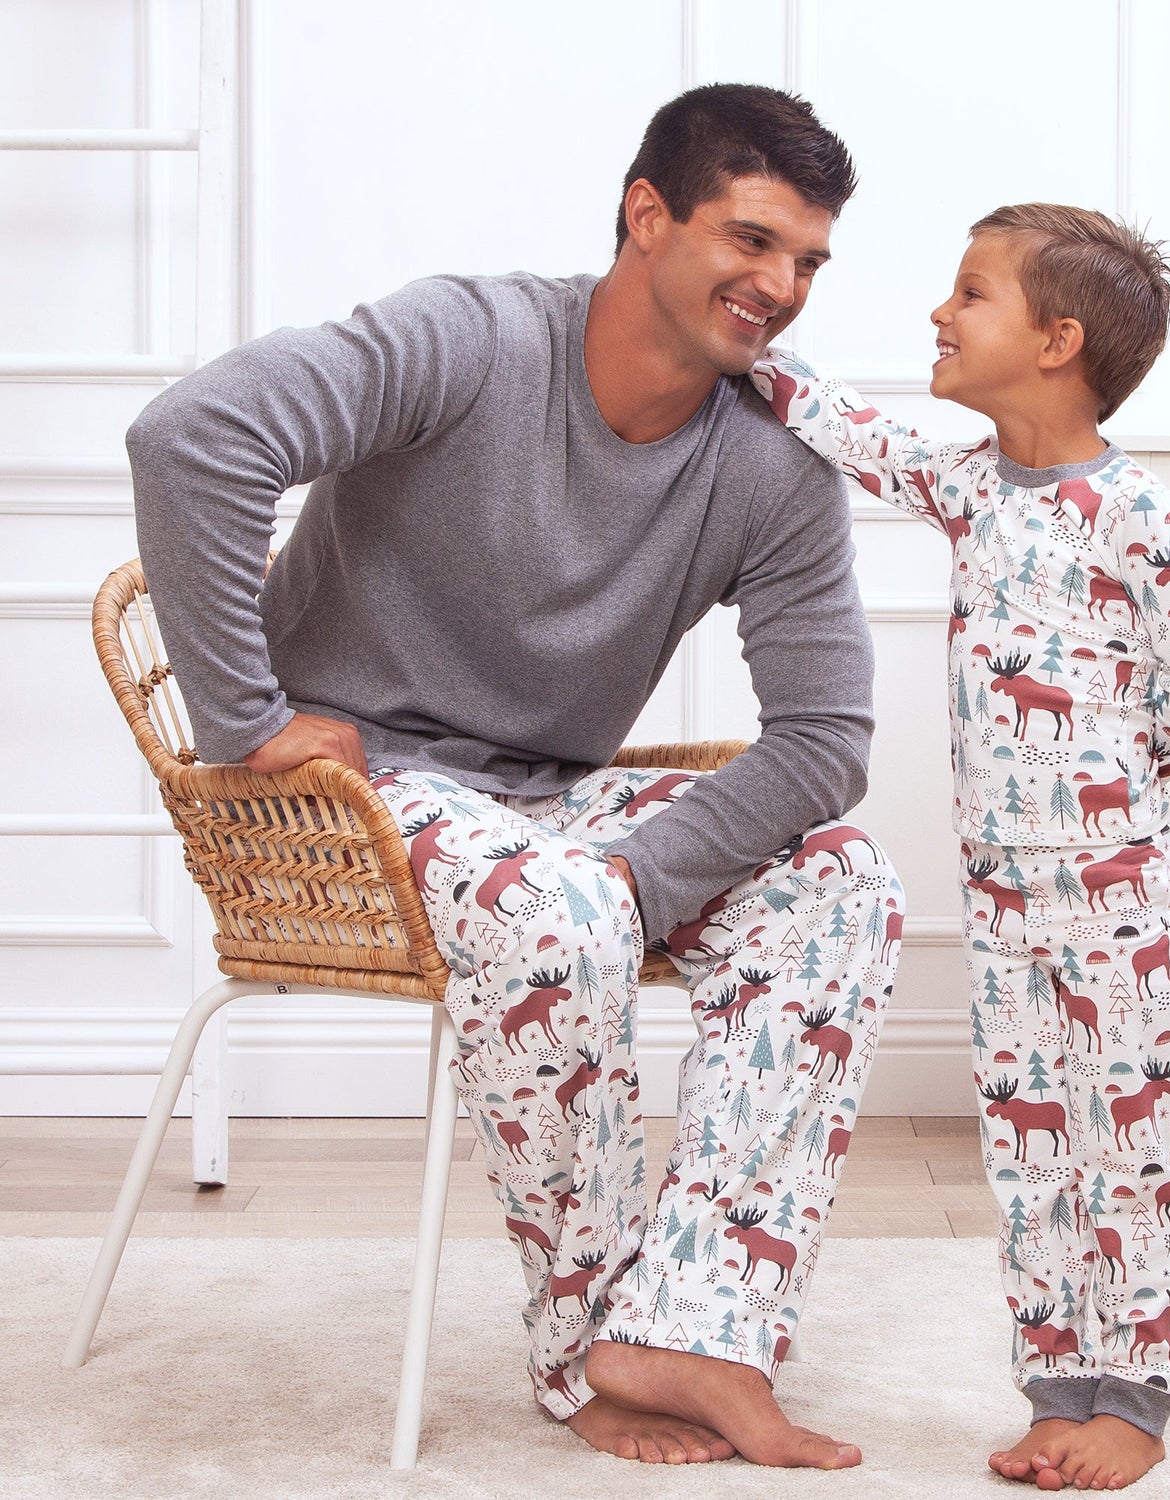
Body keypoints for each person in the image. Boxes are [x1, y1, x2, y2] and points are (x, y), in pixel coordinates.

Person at [125, 84, 904, 1470]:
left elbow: (825, 737)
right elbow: (195, 438)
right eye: (752, 239)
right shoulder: (471, 339)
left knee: (844, 884)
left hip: (547, 806)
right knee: (558, 910)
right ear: (647, 214)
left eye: (808, 261)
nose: (782, 288)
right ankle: (583, 1345)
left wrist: (632, 877)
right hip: (351, 795)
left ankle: (698, 1325)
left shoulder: (773, 463)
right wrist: (246, 721)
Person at [752, 203, 1170, 1489]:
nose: (939, 312)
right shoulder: (972, 488)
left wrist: (1110, 785)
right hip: (1001, 899)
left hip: (1115, 897)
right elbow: (859, 434)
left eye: (970, 293)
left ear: (1056, 342)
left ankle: (1135, 1391)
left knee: (1121, 1141)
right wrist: (748, 345)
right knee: (1028, 1146)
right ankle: (1056, 1383)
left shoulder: (1139, 513)